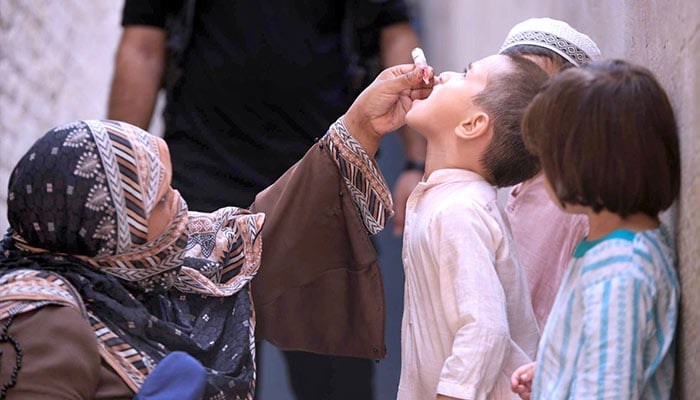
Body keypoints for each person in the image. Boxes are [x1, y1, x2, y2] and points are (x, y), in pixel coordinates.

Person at [0, 63, 433, 399]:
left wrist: (361, 125)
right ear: (108, 231)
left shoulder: (144, 262)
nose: (180, 204)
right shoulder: (41, 325)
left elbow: (263, 242)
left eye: (171, 185)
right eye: (160, 200)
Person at [106, 1, 422, 397]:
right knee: (202, 385)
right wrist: (119, 182)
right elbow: (143, 46)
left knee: (337, 388)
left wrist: (416, 160)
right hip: (205, 185)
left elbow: (393, 32)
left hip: (323, 183)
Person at [510, 59, 680, 399]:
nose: (543, 172)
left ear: (587, 163)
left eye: (548, 159)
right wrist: (553, 375)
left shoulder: (619, 271)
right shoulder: (611, 246)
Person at [396, 53, 549, 399]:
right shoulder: (447, 199)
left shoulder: (459, 211)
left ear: (472, 124)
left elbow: (485, 329)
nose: (446, 74)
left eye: (466, 74)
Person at [497, 17, 602, 329]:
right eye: (512, 85)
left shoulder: (575, 202)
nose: (522, 105)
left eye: (537, 91)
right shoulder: (521, 182)